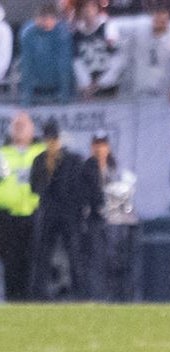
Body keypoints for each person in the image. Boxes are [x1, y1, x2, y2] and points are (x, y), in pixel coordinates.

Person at [29, 120, 87, 300]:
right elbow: (34, 187)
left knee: (74, 254)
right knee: (43, 255)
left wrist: (76, 209)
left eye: (53, 138)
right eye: (48, 138)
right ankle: (40, 296)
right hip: (49, 212)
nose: (51, 142)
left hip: (68, 213)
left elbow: (78, 187)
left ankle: (81, 294)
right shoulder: (39, 160)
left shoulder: (73, 159)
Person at [79, 131, 138, 301]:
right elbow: (86, 195)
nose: (100, 148)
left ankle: (116, 297)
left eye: (103, 144)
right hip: (95, 221)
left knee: (115, 260)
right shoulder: (86, 169)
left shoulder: (116, 168)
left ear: (108, 147)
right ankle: (97, 297)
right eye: (97, 144)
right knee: (96, 261)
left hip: (116, 221)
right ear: (92, 147)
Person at [0, 112, 45, 301]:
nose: (19, 127)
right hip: (7, 216)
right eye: (16, 124)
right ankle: (13, 301)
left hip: (35, 213)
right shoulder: (2, 153)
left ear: (32, 129)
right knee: (11, 262)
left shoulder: (41, 152)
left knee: (34, 261)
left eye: (23, 124)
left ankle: (30, 302)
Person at [128, 4, 170, 103]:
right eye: (156, 13)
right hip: (138, 94)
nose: (158, 17)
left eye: (162, 13)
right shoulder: (140, 31)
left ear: (169, 17)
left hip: (166, 98)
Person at [19, 3, 74, 105]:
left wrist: (64, 93)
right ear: (38, 18)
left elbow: (64, 64)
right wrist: (27, 94)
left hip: (59, 87)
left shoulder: (63, 33)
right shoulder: (27, 33)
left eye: (51, 19)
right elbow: (27, 64)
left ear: (56, 19)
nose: (47, 22)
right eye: (44, 19)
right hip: (36, 88)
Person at [71, 0, 125, 99]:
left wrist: (102, 82)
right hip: (87, 89)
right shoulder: (76, 35)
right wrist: (87, 83)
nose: (88, 12)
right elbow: (76, 62)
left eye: (91, 8)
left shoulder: (108, 28)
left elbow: (117, 58)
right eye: (85, 9)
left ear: (97, 10)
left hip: (109, 86)